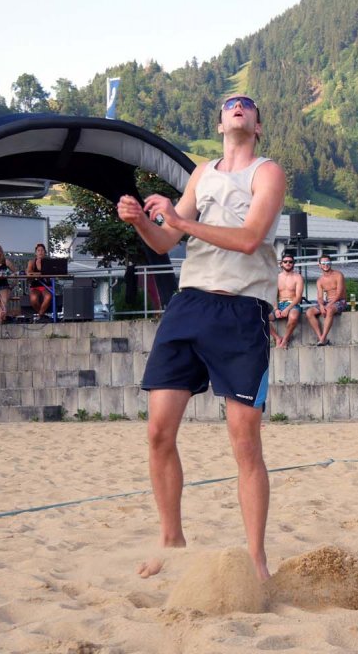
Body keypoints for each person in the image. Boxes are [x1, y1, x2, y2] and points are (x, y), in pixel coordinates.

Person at [116, 94, 285, 581]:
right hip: (188, 304)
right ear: (219, 123)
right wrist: (144, 222)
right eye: (230, 105)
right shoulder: (201, 173)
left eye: (248, 105)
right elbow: (167, 242)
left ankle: (256, 558)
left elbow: (251, 238)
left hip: (241, 308)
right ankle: (171, 539)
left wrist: (179, 220)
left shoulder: (266, 173)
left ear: (256, 125)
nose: (238, 107)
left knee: (244, 443)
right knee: (157, 433)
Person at [305, 254, 346, 346]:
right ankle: (322, 338)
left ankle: (323, 338)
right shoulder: (320, 280)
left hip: (340, 301)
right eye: (323, 263)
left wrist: (327, 306)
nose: (325, 265)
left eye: (327, 262)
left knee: (329, 310)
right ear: (319, 265)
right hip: (328, 302)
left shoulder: (338, 275)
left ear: (331, 263)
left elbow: (339, 294)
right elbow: (320, 297)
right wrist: (321, 305)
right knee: (309, 312)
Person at [269, 251, 304, 348]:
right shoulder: (276, 278)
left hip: (293, 305)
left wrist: (287, 309)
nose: (288, 263)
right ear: (281, 264)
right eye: (285, 262)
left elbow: (298, 297)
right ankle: (277, 338)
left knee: (293, 317)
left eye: (290, 262)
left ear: (293, 264)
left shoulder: (298, 277)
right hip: (279, 305)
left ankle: (285, 340)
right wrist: (276, 309)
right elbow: (273, 295)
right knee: (261, 317)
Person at [26, 243, 53, 322]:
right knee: (33, 299)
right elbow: (29, 272)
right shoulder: (31, 262)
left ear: (45, 252)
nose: (40, 252)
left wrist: (40, 270)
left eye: (42, 250)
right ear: (36, 253)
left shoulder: (48, 262)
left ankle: (40, 316)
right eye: (38, 250)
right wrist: (39, 273)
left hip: (46, 286)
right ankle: (42, 316)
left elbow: (50, 273)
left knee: (48, 297)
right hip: (35, 286)